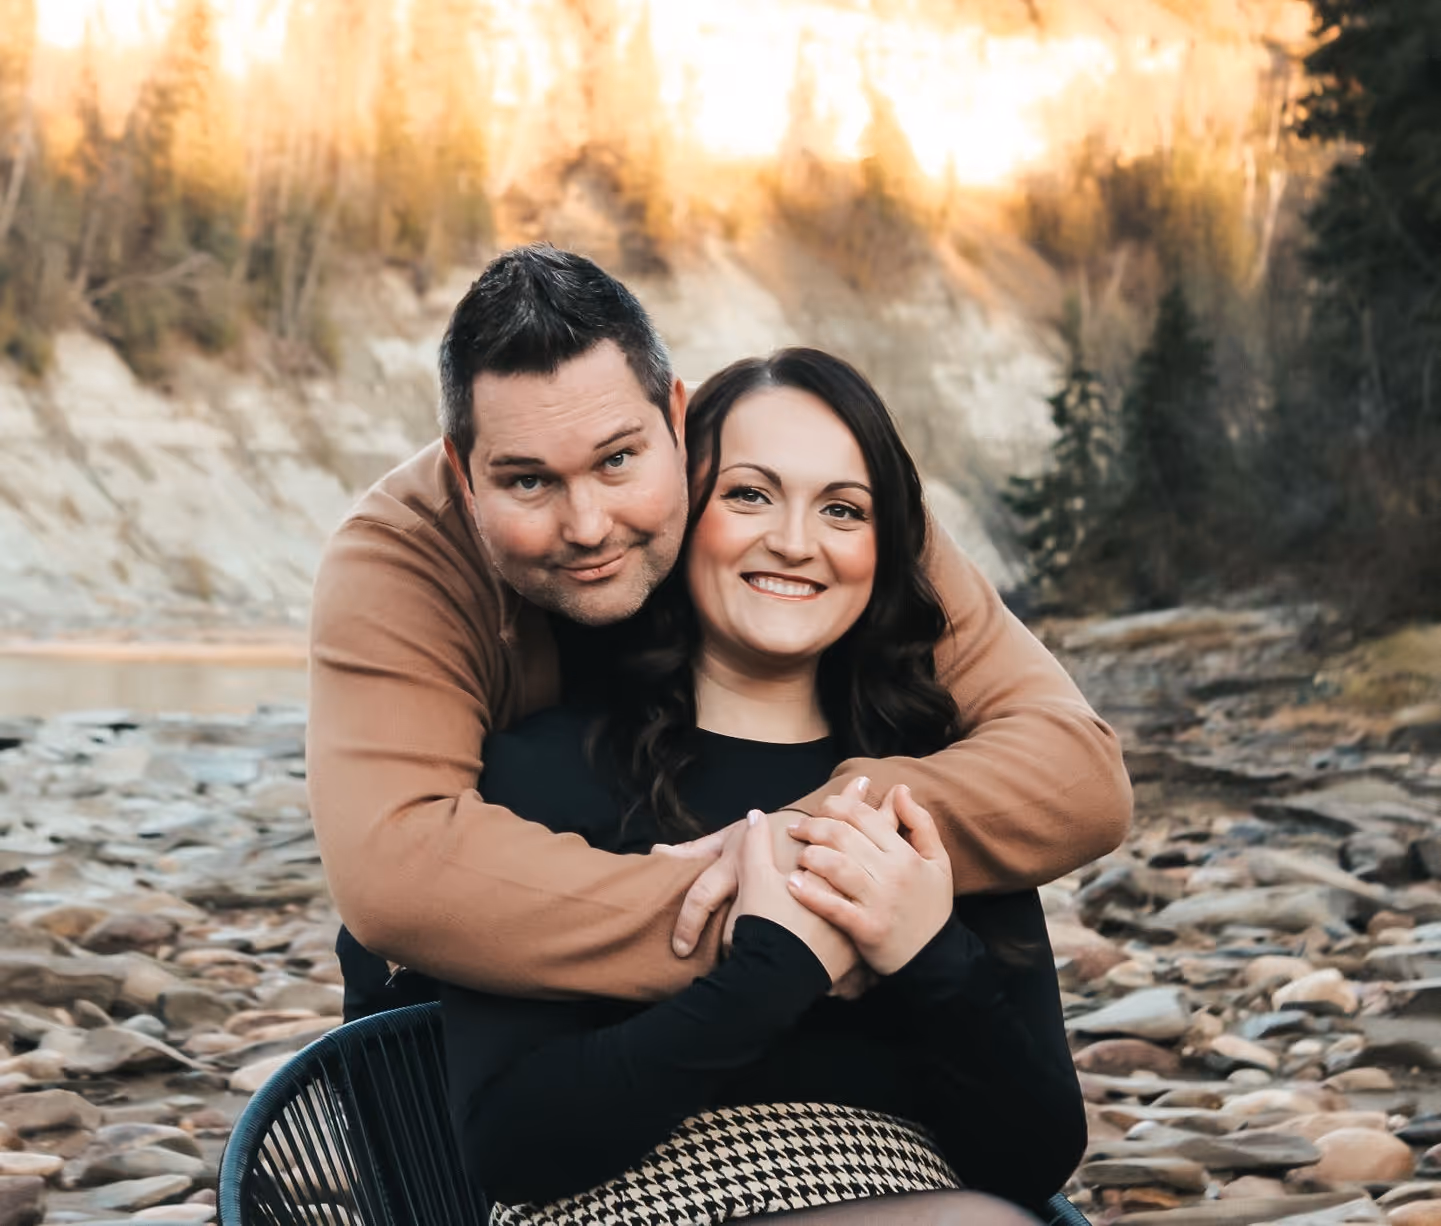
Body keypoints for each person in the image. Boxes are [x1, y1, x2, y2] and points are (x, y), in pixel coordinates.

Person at [309, 243, 1131, 1014]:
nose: (588, 524)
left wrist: (812, 839)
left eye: (618, 460)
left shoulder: (789, 476)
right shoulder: (400, 555)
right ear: (462, 472)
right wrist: (777, 930)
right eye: (528, 482)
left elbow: (1076, 770)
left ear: (675, 413)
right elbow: (397, 870)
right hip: (480, 1029)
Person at [441, 349, 1085, 1225]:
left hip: (911, 1197)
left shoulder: (932, 788)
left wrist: (927, 954)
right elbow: (509, 1145)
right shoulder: (540, 770)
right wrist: (771, 974)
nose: (794, 541)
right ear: (676, 512)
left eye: (842, 510)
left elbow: (1034, 1154)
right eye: (748, 495)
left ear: (885, 544)